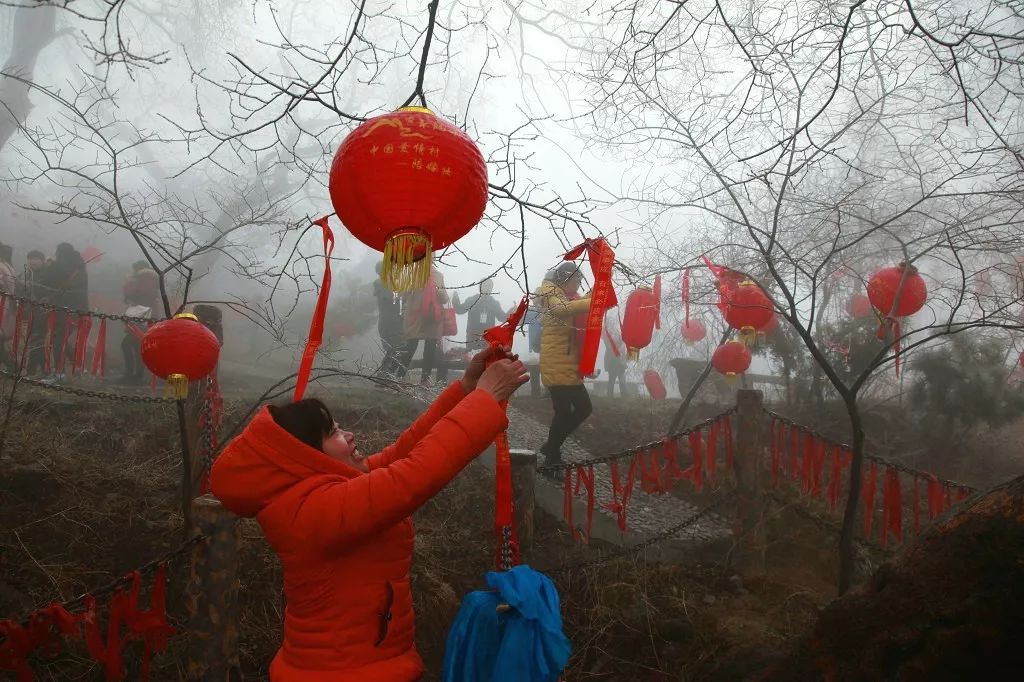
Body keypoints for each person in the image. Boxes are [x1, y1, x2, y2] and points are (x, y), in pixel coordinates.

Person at [210, 346, 529, 681]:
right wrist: (484, 399)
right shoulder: (312, 511)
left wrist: (466, 389)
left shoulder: (325, 491)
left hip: (366, 666)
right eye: (332, 432)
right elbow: (412, 476)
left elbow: (404, 453)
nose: (348, 435)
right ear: (304, 456)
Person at [536, 262, 596, 470]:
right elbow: (563, 309)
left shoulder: (565, 295)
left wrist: (599, 288)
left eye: (580, 281)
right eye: (576, 280)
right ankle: (551, 457)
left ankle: (551, 449)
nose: (579, 285)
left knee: (581, 408)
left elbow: (578, 302)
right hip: (557, 364)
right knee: (567, 411)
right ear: (564, 280)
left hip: (566, 364)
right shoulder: (552, 294)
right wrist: (595, 301)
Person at [399, 267, 449, 385]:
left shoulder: (438, 275)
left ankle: (425, 379)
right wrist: (409, 289)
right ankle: (399, 376)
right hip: (415, 316)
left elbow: (444, 298)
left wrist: (441, 294)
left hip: (432, 317)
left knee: (430, 349)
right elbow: (402, 293)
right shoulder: (413, 273)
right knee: (410, 346)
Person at [121, 261, 160, 384]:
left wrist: (130, 284)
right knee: (136, 345)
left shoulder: (144, 278)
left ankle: (133, 375)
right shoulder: (150, 278)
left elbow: (134, 293)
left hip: (142, 315)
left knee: (128, 344)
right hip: (144, 314)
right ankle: (136, 374)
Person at [452, 279, 506, 352]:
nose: (487, 288)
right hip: (472, 338)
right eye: (485, 285)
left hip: (488, 338)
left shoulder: (494, 303)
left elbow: (502, 317)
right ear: (480, 287)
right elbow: (459, 310)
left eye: (490, 286)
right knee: (474, 361)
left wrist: (513, 311)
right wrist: (455, 298)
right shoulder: (473, 300)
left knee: (487, 360)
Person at [373, 261, 404, 376]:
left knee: (395, 349)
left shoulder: (386, 285)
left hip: (391, 322)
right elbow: (394, 301)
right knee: (395, 348)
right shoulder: (382, 285)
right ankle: (384, 374)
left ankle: (386, 374)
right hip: (390, 323)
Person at [0, 243, 15, 371]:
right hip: (7, 304)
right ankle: (10, 365)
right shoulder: (9, 266)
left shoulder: (1, 266)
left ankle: (11, 365)